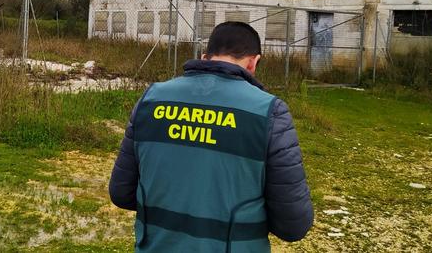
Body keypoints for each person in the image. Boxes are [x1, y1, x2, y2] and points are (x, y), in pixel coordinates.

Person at [109, 21, 313, 252]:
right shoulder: (270, 113)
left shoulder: (151, 99)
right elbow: (293, 225)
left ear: (205, 57)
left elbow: (121, 193)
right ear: (253, 63)